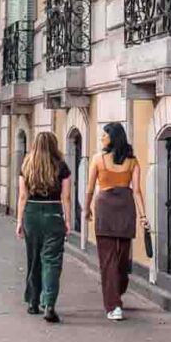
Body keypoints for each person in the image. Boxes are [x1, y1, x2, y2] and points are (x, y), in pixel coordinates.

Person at [84, 122, 148, 322]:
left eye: (104, 135)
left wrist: (143, 216)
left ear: (113, 137)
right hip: (115, 208)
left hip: (114, 209)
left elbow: (137, 190)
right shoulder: (125, 161)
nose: (101, 138)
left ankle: (116, 291)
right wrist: (85, 208)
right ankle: (113, 305)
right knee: (112, 259)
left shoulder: (119, 160)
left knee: (118, 260)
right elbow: (90, 187)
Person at [15, 131, 71, 323]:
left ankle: (33, 301)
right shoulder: (61, 166)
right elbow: (66, 197)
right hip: (53, 213)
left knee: (34, 258)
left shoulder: (26, 165)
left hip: (32, 214)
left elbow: (23, 196)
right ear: (54, 145)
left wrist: (19, 221)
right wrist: (67, 220)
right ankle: (49, 304)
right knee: (52, 261)